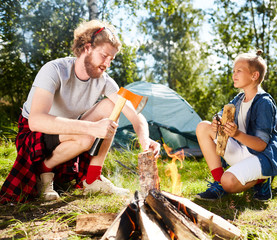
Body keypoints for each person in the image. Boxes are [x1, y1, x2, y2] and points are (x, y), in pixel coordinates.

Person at [0, 20, 160, 204]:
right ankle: (44, 175)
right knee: (86, 137)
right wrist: (91, 128)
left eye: (111, 59)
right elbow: (36, 121)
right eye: (104, 55)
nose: (107, 63)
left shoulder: (105, 81)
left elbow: (134, 114)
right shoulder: (54, 70)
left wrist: (145, 140)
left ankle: (92, 178)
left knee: (110, 106)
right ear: (87, 47)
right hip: (35, 133)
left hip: (68, 131)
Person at [195, 50, 277, 201]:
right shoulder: (239, 99)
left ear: (254, 76)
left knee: (228, 182)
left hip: (260, 157)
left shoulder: (264, 103)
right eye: (233, 71)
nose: (234, 75)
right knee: (203, 126)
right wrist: (216, 122)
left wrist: (236, 134)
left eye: (239, 71)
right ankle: (218, 184)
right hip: (241, 152)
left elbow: (261, 145)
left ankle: (262, 181)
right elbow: (221, 115)